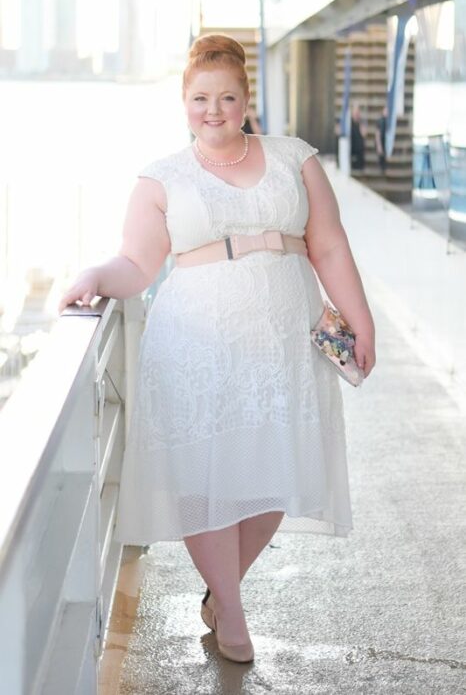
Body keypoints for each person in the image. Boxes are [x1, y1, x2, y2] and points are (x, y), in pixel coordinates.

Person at [58, 34, 376, 664]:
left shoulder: (295, 158)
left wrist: (361, 322)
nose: (214, 109)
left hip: (286, 348)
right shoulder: (161, 178)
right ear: (183, 101)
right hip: (195, 351)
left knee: (273, 484)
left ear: (245, 99)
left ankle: (220, 594)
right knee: (206, 484)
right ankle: (231, 614)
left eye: (227, 97)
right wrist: (96, 276)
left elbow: (330, 246)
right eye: (201, 97)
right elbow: (137, 264)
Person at [350, 103, 367, 171]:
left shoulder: (361, 122)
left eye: (357, 112)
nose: (356, 113)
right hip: (351, 148)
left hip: (359, 149)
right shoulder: (349, 122)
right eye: (355, 111)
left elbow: (364, 134)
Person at [375, 105, 388, 173]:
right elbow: (377, 133)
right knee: (381, 156)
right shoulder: (380, 121)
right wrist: (379, 145)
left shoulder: (387, 121)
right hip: (381, 141)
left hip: (385, 141)